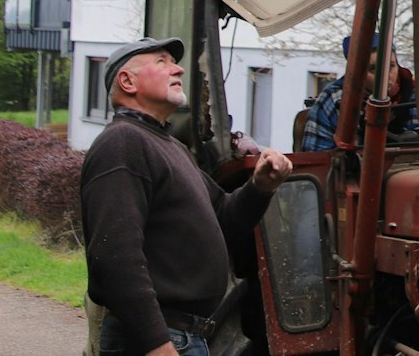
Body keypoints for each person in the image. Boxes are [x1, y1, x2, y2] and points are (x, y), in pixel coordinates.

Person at [81, 37, 293, 356]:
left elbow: (223, 219)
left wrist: (260, 186)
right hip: (156, 340)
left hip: (185, 336)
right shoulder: (123, 144)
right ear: (127, 81)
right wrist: (156, 344)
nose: (178, 68)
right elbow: (115, 257)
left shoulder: (169, 146)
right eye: (162, 62)